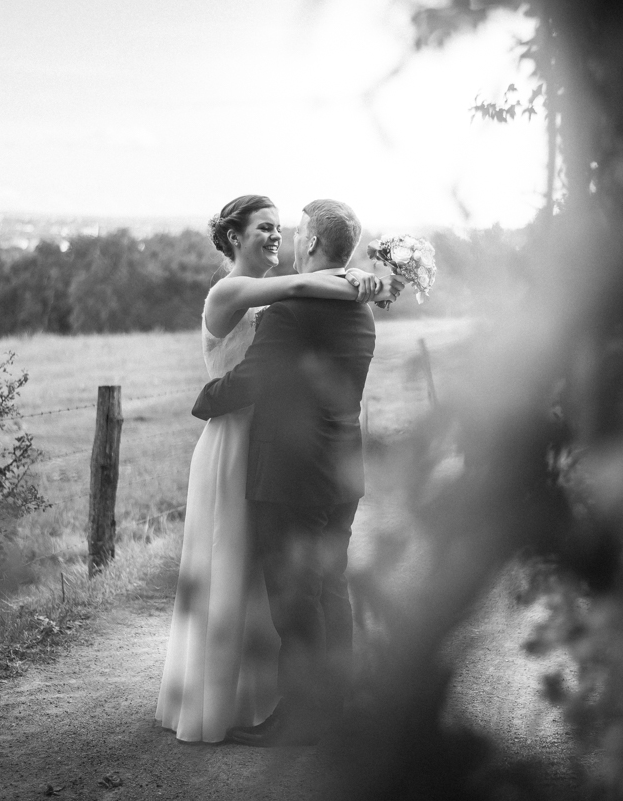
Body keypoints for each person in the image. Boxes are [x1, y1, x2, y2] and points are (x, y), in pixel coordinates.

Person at [155, 195, 400, 743]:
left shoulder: (293, 307)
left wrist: (204, 400)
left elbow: (257, 376)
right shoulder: (347, 305)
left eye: (287, 229)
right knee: (322, 585)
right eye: (266, 228)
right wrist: (359, 279)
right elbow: (295, 291)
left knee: (294, 593)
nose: (280, 237)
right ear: (234, 237)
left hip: (284, 465)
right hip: (326, 463)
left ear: (308, 242)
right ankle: (329, 700)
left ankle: (306, 712)